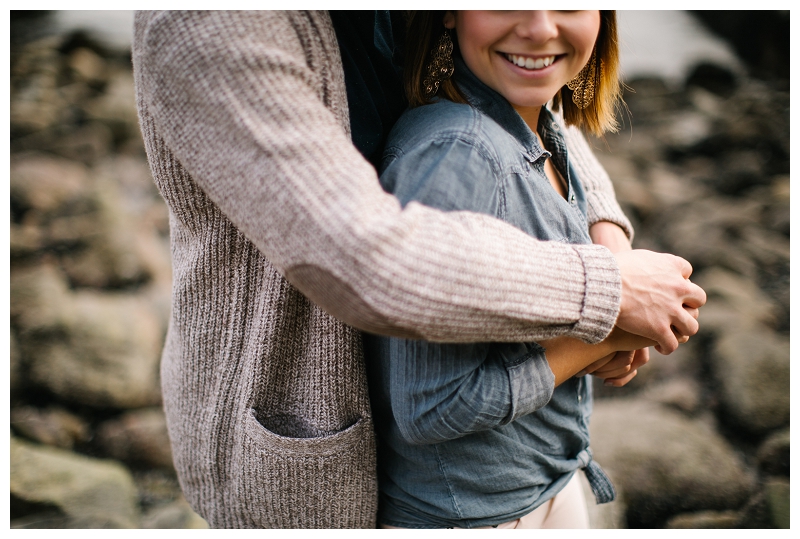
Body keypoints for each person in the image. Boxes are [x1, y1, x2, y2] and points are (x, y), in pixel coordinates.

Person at [132, 11, 706, 528]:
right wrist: (605, 297)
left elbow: (533, 100)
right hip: (305, 444)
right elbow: (362, 259)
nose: (538, 23)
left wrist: (608, 242)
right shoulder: (205, 23)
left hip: (509, 469)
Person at [365, 10, 667, 529]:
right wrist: (603, 335)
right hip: (469, 517)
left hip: (544, 483)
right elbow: (431, 407)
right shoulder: (458, 156)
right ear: (447, 13)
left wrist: (612, 270)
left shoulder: (537, 122)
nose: (540, 27)